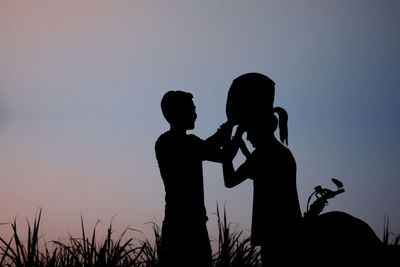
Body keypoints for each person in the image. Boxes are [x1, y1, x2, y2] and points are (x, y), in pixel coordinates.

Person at [222, 74, 302, 266]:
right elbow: (265, 175)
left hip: (273, 233)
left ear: (259, 129)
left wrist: (227, 153)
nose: (248, 138)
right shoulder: (282, 153)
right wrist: (245, 151)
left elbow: (230, 181)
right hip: (291, 230)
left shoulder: (262, 156)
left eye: (249, 132)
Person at [155, 90, 229, 267]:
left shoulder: (168, 142)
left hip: (183, 222)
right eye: (192, 109)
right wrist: (231, 129)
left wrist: (226, 131)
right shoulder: (176, 143)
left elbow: (211, 149)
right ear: (179, 113)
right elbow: (219, 153)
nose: (196, 114)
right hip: (185, 226)